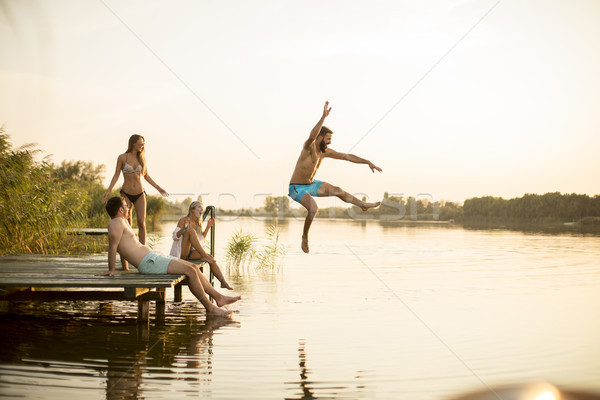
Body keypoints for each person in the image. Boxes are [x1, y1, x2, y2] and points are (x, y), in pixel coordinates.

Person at [96, 197, 240, 317]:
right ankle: (211, 308)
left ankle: (218, 298)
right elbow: (113, 247)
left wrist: (125, 266)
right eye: (126, 206)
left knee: (193, 267)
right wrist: (111, 270)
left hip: (152, 257)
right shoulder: (116, 222)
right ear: (120, 210)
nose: (128, 207)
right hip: (149, 263)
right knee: (190, 271)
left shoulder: (122, 222)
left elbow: (125, 245)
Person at [289, 101, 382, 253]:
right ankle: (304, 237)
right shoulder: (308, 148)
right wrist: (323, 118)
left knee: (338, 190)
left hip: (311, 184)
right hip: (296, 187)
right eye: (327, 139)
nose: (330, 142)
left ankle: (363, 205)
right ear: (319, 138)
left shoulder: (326, 152)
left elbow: (348, 157)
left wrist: (367, 162)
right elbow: (311, 135)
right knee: (313, 209)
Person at [102, 134, 168, 245]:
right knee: (127, 223)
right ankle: (129, 247)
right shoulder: (122, 157)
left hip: (140, 194)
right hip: (126, 193)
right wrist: (108, 191)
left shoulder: (142, 158)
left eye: (143, 144)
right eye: (140, 143)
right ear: (133, 143)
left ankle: (143, 251)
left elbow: (146, 175)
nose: (142, 146)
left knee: (142, 223)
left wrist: (158, 188)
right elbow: (116, 175)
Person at [170, 201, 233, 290]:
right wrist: (184, 228)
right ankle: (204, 255)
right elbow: (175, 236)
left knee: (210, 257)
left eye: (202, 208)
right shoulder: (184, 219)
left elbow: (200, 240)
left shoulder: (198, 223)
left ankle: (223, 282)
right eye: (199, 207)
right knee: (190, 231)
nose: (202, 209)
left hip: (190, 252)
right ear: (192, 210)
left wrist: (208, 227)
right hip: (181, 253)